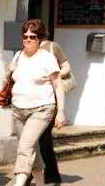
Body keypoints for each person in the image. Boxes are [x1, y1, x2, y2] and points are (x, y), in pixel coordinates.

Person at [7, 19, 65, 186]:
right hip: (18, 110)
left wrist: (61, 111)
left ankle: (19, 184)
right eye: (25, 36)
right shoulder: (18, 56)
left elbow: (58, 85)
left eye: (32, 36)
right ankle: (40, 182)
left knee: (25, 147)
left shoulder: (47, 58)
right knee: (33, 149)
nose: (28, 40)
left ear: (40, 38)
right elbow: (10, 76)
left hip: (41, 109)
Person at [36, 32, 73, 185]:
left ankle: (45, 175)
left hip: (50, 99)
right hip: (31, 101)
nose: (28, 38)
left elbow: (67, 67)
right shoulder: (26, 50)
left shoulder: (53, 47)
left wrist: (53, 75)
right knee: (39, 141)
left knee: (43, 139)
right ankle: (47, 174)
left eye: (32, 34)